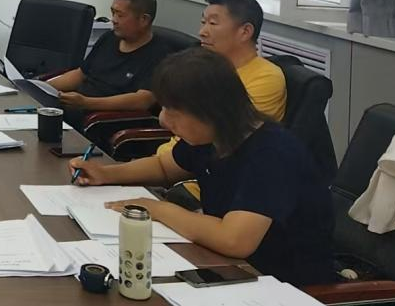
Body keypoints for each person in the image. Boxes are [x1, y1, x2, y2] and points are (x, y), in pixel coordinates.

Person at [68, 47, 334, 287]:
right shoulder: (213, 136)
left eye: (173, 111)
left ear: (211, 111)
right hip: (226, 267)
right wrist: (106, 173)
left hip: (283, 284)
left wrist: (158, 209)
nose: (163, 120)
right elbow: (164, 167)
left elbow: (235, 240)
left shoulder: (274, 154)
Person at [158, 0, 286, 198]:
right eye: (203, 22)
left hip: (199, 185)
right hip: (172, 164)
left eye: (213, 23)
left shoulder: (267, 77)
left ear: (245, 31)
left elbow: (220, 140)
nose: (202, 32)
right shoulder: (208, 71)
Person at [47, 0, 171, 123]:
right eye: (113, 13)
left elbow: (143, 100)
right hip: (77, 107)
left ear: (144, 19)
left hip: (104, 120)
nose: (114, 20)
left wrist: (86, 103)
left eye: (120, 15)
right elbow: (81, 74)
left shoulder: (159, 54)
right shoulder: (109, 38)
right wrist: (42, 87)